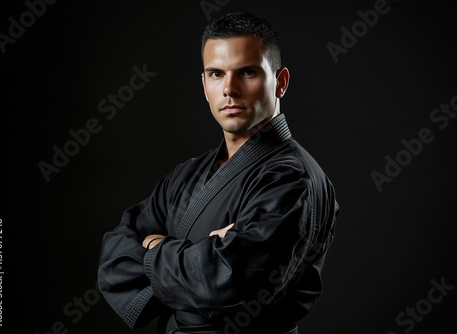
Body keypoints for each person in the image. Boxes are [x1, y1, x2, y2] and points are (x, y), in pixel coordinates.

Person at [97, 11, 339, 334]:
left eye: (247, 72)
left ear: (280, 82)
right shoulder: (188, 174)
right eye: (215, 74)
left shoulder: (294, 180)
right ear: (204, 84)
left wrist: (155, 248)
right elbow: (112, 260)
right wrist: (197, 256)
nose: (229, 89)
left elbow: (224, 281)